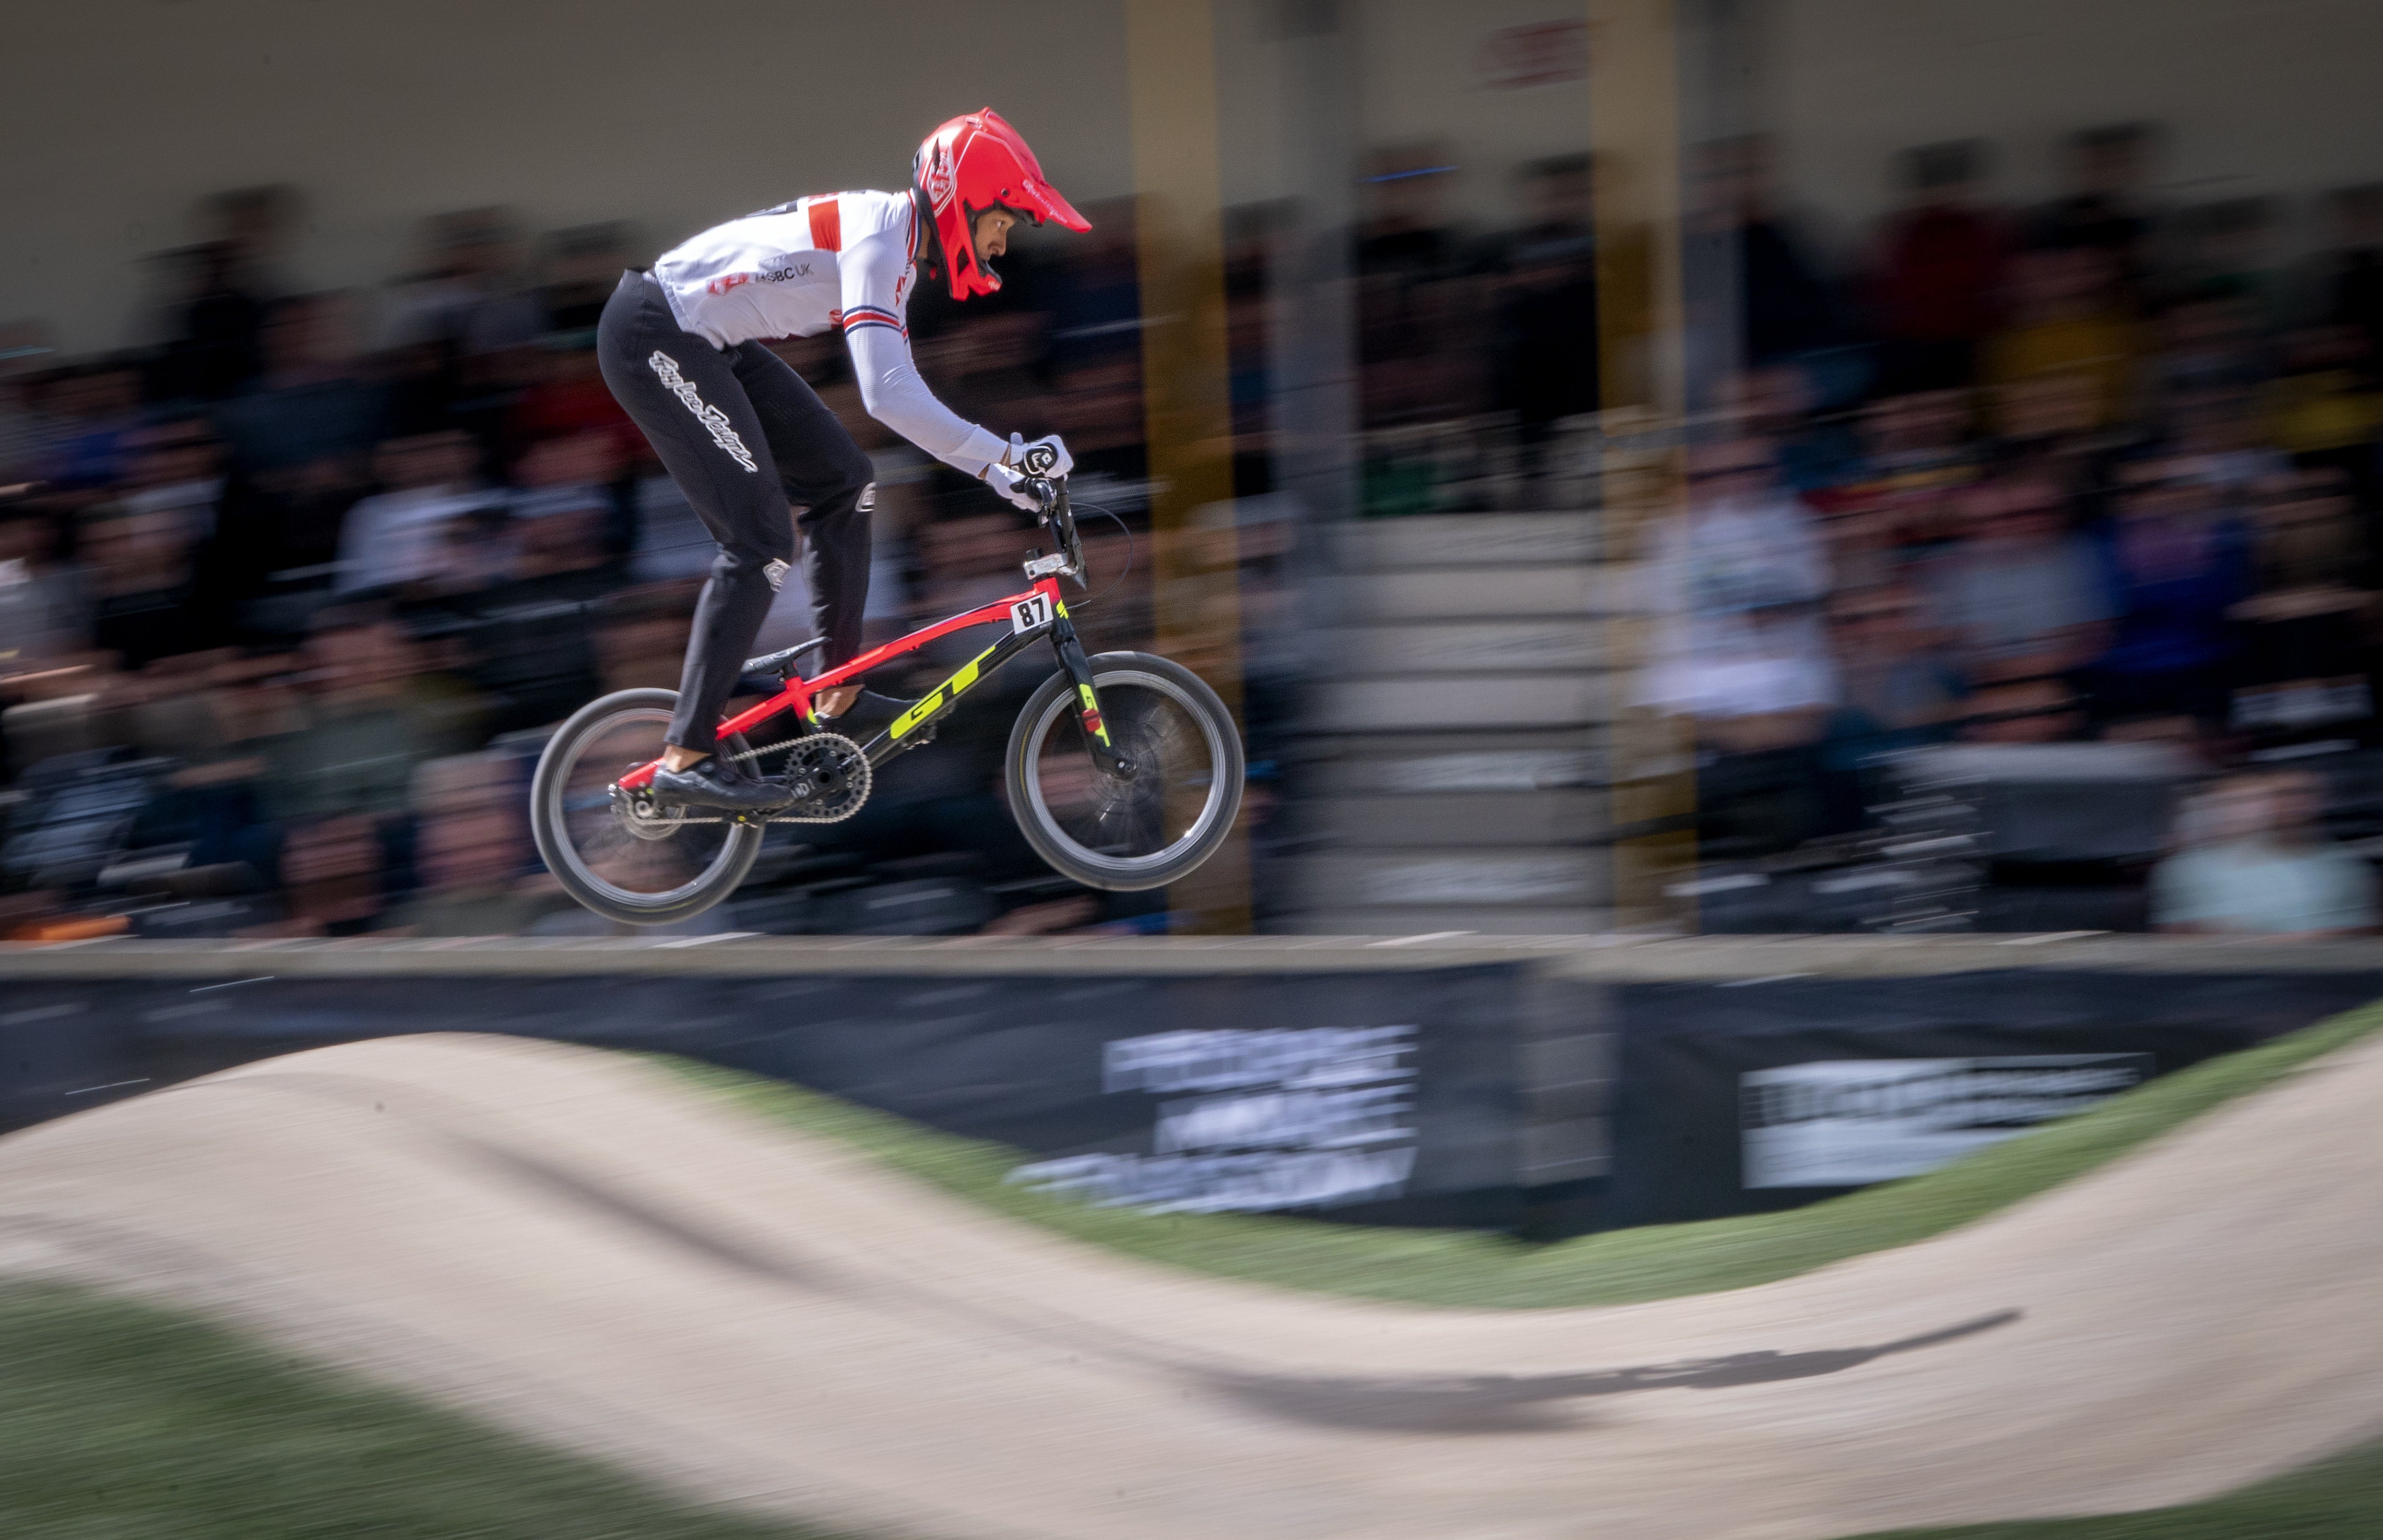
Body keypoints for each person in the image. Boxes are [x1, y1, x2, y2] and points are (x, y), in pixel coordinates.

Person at [597, 108, 1089, 811]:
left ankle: (839, 691)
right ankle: (687, 754)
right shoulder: (880, 244)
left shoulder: (894, 244)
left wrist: (1001, 469)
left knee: (845, 483)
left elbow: (896, 398)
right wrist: (999, 459)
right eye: (1001, 224)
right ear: (963, 201)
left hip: (706, 340)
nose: (1001, 246)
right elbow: (888, 396)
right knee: (761, 543)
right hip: (656, 333)